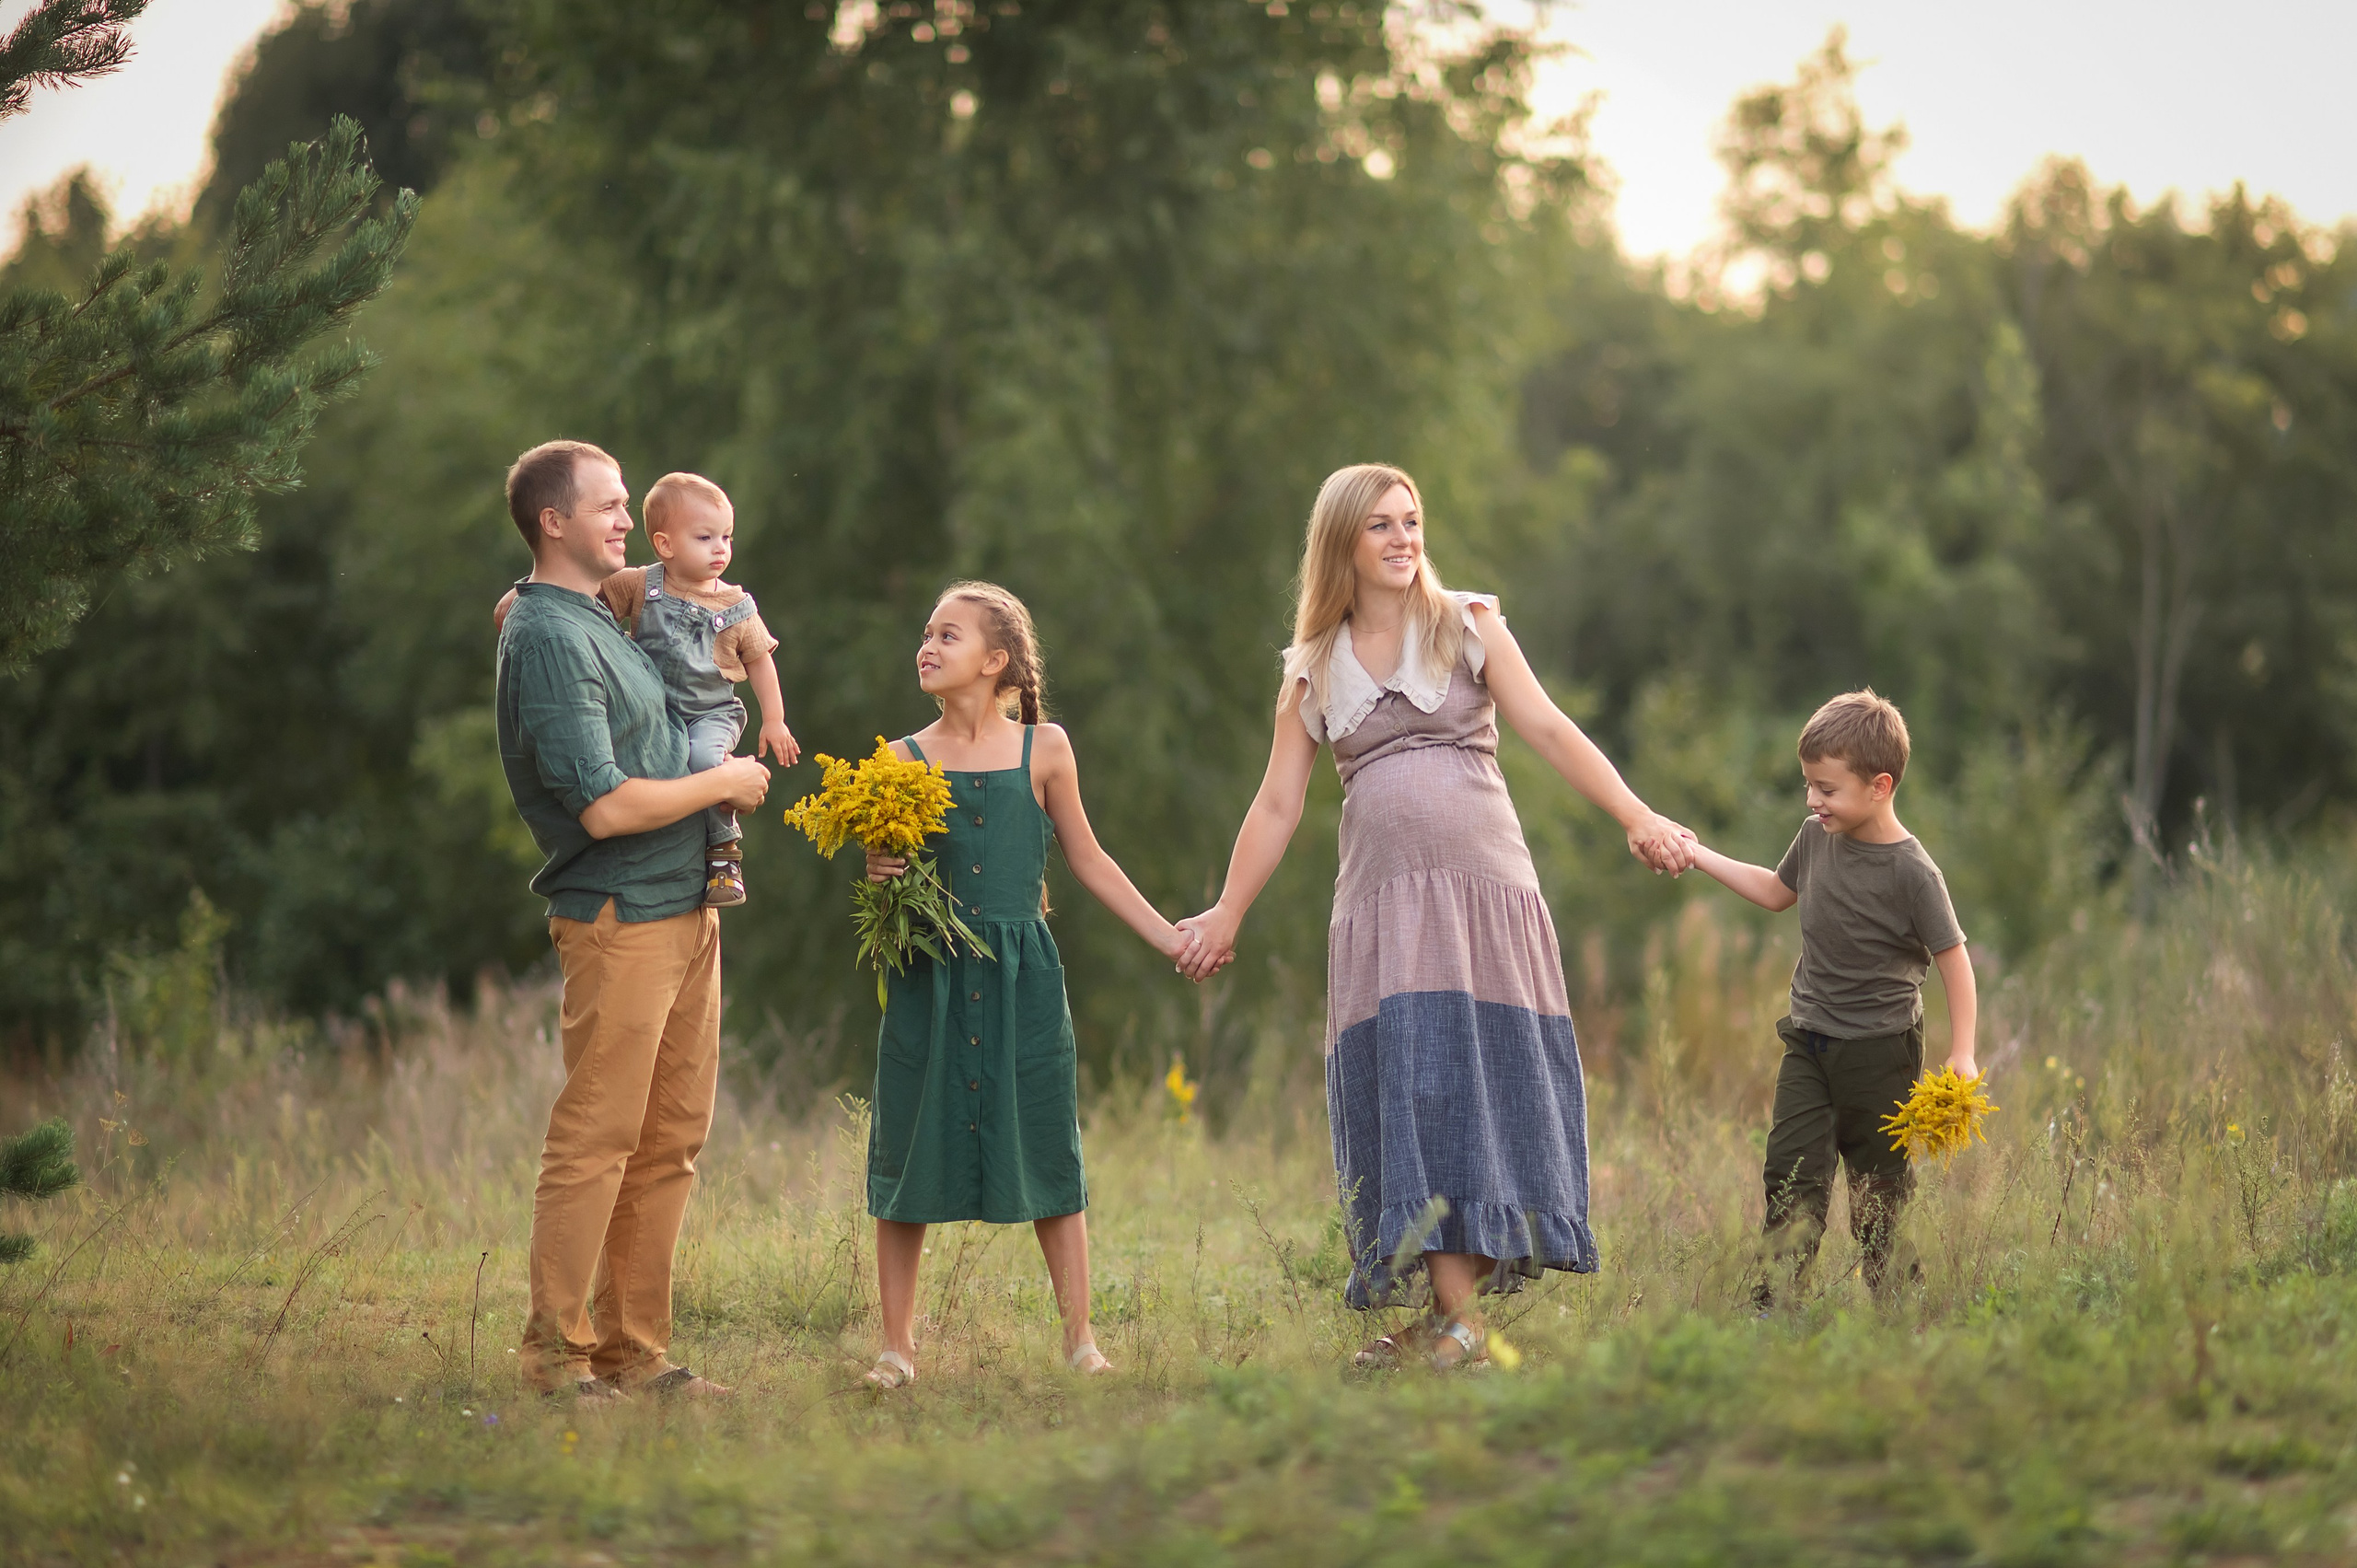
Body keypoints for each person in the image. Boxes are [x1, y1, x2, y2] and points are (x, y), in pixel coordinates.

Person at [1175, 464, 1694, 1370]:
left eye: (1411, 521)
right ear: (1342, 542)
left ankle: (1458, 1323)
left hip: (1484, 895)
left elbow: (1550, 730)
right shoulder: (1311, 672)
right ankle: (1457, 1320)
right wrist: (1226, 910)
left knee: (1488, 1081)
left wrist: (1636, 813)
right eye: (1379, 525)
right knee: (1422, 1089)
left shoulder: (1467, 625)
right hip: (1385, 911)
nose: (1402, 538)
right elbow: (1275, 806)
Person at [857, 582, 1191, 1388]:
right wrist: (876, 870)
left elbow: (1089, 858)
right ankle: (896, 1348)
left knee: (1048, 1142)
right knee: (908, 1150)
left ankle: (1082, 1341)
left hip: (1022, 979)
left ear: (996, 660)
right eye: (926, 634)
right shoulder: (896, 760)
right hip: (928, 977)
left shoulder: (1045, 748)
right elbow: (881, 887)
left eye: (948, 635)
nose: (927, 646)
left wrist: (1169, 935)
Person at [493, 440, 772, 1400]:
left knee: (669, 1141)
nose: (626, 520)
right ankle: (554, 1358)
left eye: (627, 505)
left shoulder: (595, 612)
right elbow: (603, 806)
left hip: (688, 904)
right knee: (598, 1136)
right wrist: (726, 780)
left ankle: (633, 1355)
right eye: (609, 507)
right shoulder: (550, 637)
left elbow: (663, 601)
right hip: (619, 916)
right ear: (552, 522)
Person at [1682, 689, 1976, 1306]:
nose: (1813, 800)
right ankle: (1775, 1306)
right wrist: (1698, 854)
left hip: (1881, 1053)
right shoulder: (1816, 838)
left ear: (1880, 785)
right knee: (1791, 1177)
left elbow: (1955, 960)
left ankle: (1901, 1312)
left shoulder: (1914, 873)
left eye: (1827, 788)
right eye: (1809, 785)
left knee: (1879, 1199)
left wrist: (1964, 1052)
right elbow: (1773, 890)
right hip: (1809, 1041)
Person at [495, 471, 798, 907]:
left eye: (726, 537)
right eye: (607, 507)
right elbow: (562, 592)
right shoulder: (635, 589)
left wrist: (774, 719)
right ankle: (724, 853)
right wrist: (522, 599)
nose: (720, 548)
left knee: (704, 756)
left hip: (710, 717)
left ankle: (721, 853)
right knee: (712, 768)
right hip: (629, 906)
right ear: (666, 545)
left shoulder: (735, 604)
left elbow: (760, 660)